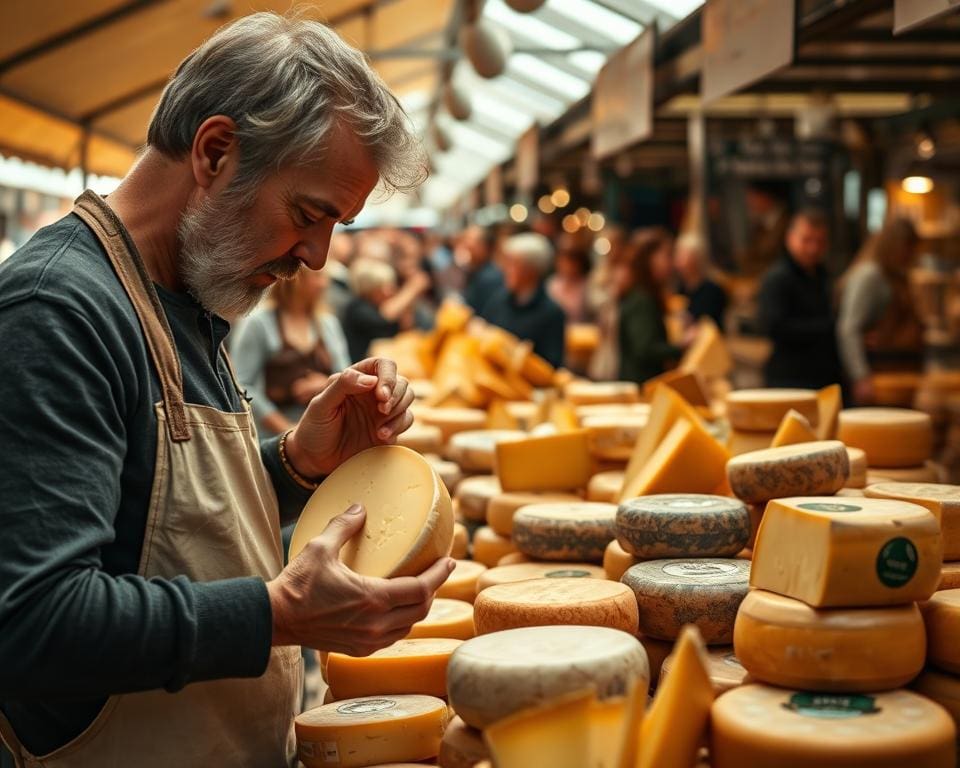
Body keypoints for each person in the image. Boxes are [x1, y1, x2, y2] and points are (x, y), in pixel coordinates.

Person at [0, 14, 454, 768]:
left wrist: (295, 465)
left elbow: (150, 523)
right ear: (214, 151)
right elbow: (32, 623)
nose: (317, 255)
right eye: (310, 215)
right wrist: (276, 615)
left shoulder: (188, 294)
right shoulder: (57, 314)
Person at [232, 268, 351, 436]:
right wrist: (286, 428)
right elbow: (242, 384)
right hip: (272, 436)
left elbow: (345, 374)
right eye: (317, 276)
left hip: (325, 430)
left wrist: (326, 384)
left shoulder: (328, 323)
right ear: (293, 278)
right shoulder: (258, 323)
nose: (324, 284)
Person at [837, 218, 923, 404]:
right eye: (907, 248)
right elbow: (849, 329)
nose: (911, 255)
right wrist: (860, 376)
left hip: (897, 371)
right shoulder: (870, 276)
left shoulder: (895, 275)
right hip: (877, 373)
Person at [758, 208, 842, 389]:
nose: (813, 248)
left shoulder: (822, 275)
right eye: (806, 240)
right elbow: (775, 326)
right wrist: (831, 327)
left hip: (821, 375)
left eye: (820, 242)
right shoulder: (777, 278)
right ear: (790, 239)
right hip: (789, 378)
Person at [478, 232, 566, 368]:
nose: (506, 270)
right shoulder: (497, 301)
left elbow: (550, 366)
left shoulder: (552, 313)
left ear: (532, 270)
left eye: (513, 264)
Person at [614, 228, 686, 383]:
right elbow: (645, 349)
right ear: (650, 258)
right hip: (641, 387)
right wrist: (681, 347)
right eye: (667, 255)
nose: (671, 263)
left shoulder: (644, 294)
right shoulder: (641, 299)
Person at [342, 257, 430, 362]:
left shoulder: (380, 306)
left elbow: (407, 328)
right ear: (369, 288)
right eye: (385, 286)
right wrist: (411, 289)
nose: (391, 291)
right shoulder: (357, 308)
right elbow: (387, 316)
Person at [674, 232, 727, 330]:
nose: (677, 259)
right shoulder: (678, 289)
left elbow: (708, 325)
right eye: (677, 253)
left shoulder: (713, 291)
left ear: (696, 258)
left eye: (682, 254)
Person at [456, 224, 503, 313]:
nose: (466, 247)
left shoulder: (490, 277)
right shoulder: (474, 271)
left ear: (484, 247)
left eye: (471, 243)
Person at [546, 233, 592, 324]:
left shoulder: (589, 285)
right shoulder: (552, 283)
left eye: (571, 262)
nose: (567, 266)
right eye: (562, 260)